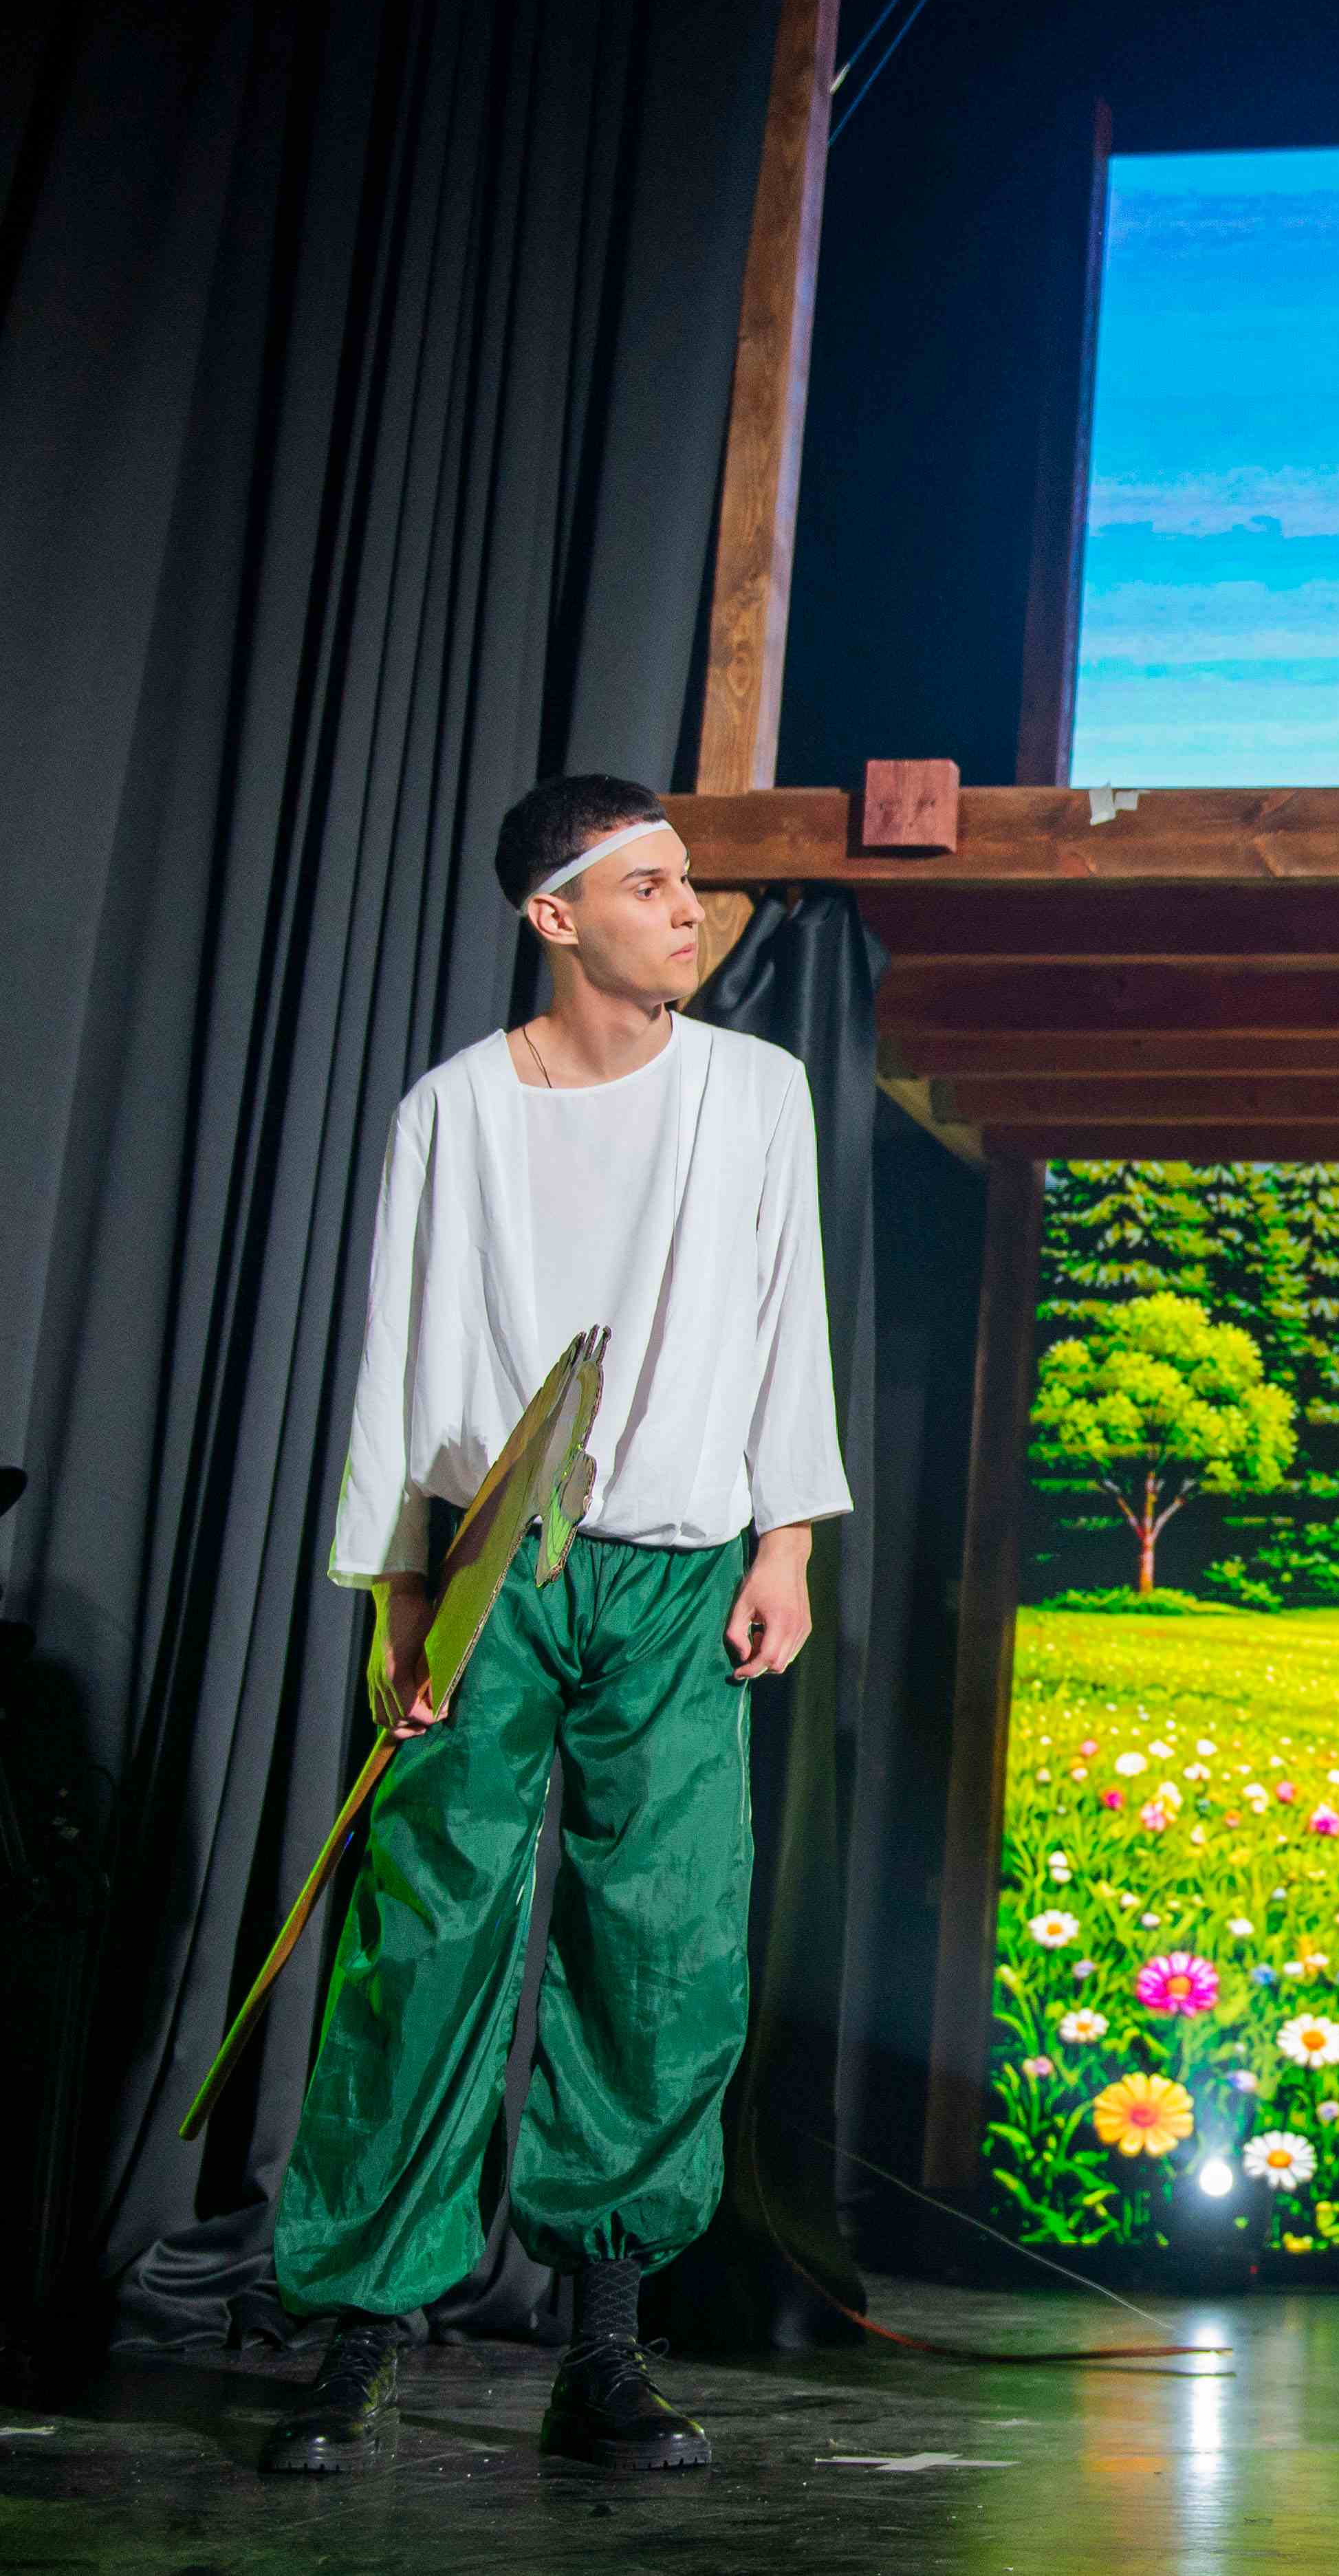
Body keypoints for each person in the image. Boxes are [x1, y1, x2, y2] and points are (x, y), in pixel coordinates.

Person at [260, 775, 848, 2476]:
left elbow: (785, 1313)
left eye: (690, 881)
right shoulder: (451, 1110)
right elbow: (400, 1357)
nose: (690, 908)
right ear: (556, 915)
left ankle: (602, 2351)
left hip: (678, 1568)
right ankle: (362, 2336)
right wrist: (398, 1592)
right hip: (487, 1570)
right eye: (651, 885)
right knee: (426, 1932)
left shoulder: (754, 1091)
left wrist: (788, 1539)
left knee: (663, 1942)